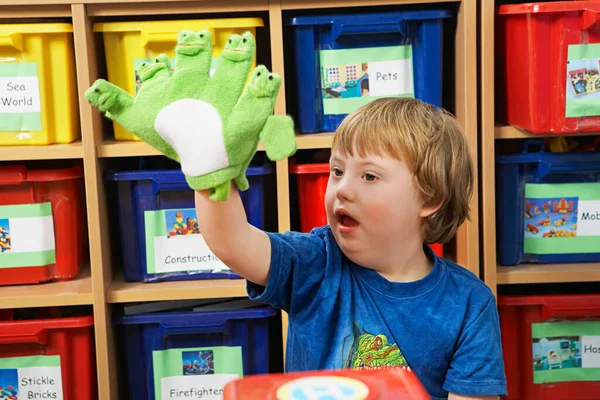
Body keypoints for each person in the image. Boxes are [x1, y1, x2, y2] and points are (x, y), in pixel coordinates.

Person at [194, 97, 507, 399]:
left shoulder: (470, 304)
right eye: (337, 171)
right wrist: (209, 165)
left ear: (429, 198)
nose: (342, 189)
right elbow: (232, 242)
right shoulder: (316, 262)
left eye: (369, 176)